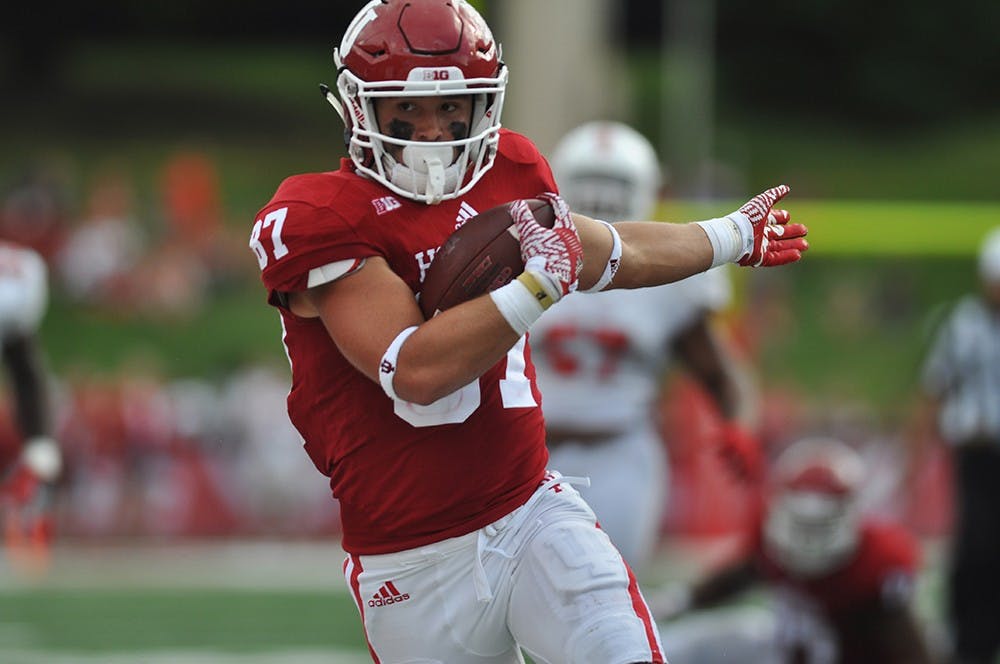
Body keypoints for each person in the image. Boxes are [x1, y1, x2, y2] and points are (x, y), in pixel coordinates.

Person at [247, 1, 808, 661]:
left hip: (530, 511)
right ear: (357, 108)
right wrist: (538, 283)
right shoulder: (319, 214)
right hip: (409, 559)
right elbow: (414, 370)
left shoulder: (510, 171)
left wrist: (731, 234)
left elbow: (608, 249)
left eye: (453, 109)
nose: (432, 134)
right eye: (408, 111)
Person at [532, 120, 760, 571]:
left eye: (614, 185)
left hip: (618, 452)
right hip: (525, 451)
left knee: (607, 592)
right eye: (591, 183)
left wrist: (740, 424)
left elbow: (718, 370)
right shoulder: (525, 249)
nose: (601, 198)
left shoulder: (669, 270)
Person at [654, 437, 935, 664]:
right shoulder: (769, 536)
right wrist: (681, 600)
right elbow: (744, 573)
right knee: (707, 639)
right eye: (802, 522)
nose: (809, 538)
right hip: (782, 648)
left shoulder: (875, 564)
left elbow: (908, 645)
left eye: (821, 525)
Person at [912, 226, 1000, 664]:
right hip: (978, 454)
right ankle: (970, 643)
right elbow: (934, 389)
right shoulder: (962, 324)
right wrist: (916, 455)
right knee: (976, 548)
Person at [0, 240, 62, 567]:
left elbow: (24, 369)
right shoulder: (23, 267)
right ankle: (38, 463)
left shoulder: (20, 270)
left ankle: (36, 468)